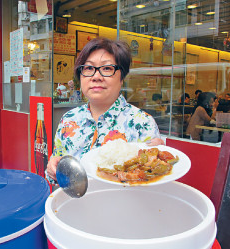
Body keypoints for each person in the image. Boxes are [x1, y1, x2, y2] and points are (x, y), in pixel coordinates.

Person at [46, 37, 164, 182]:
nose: (96, 76)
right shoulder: (69, 120)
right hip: (73, 203)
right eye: (89, 68)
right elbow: (58, 165)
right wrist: (53, 168)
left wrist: (157, 163)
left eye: (107, 68)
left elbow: (151, 183)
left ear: (122, 77)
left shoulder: (142, 123)